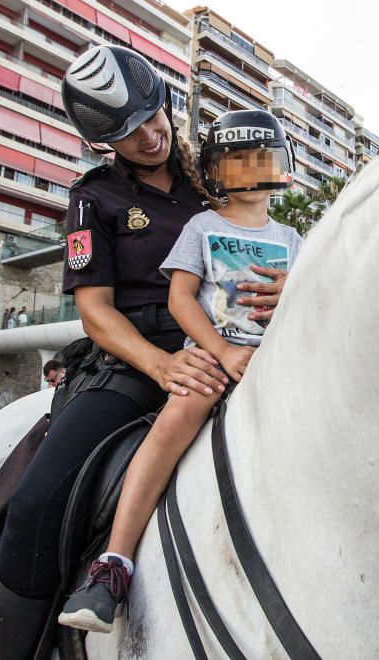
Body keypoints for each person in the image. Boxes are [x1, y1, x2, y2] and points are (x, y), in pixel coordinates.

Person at [0, 48, 288, 659]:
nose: (150, 137)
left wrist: (283, 291)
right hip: (138, 360)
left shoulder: (216, 181)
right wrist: (161, 364)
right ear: (103, 142)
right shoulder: (93, 197)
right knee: (36, 503)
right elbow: (95, 310)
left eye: (153, 117)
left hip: (239, 348)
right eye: (126, 133)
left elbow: (266, 248)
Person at [58, 109, 302, 633]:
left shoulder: (294, 238)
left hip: (277, 357)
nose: (251, 171)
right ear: (218, 170)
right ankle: (113, 563)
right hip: (216, 355)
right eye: (238, 162)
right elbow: (181, 296)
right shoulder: (202, 225)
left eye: (262, 160)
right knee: (171, 427)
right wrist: (220, 350)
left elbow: (304, 301)